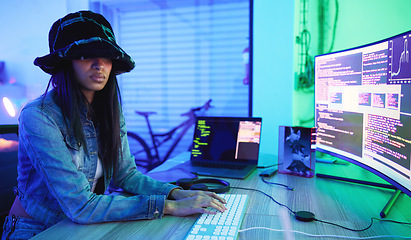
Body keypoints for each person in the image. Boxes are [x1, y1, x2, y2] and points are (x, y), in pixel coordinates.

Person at [1, 10, 226, 240]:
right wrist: (169, 207)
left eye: (106, 55)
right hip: (37, 229)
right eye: (86, 54)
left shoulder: (109, 110)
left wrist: (177, 194)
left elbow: (127, 176)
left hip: (84, 225)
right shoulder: (39, 116)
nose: (100, 64)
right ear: (65, 62)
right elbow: (80, 206)